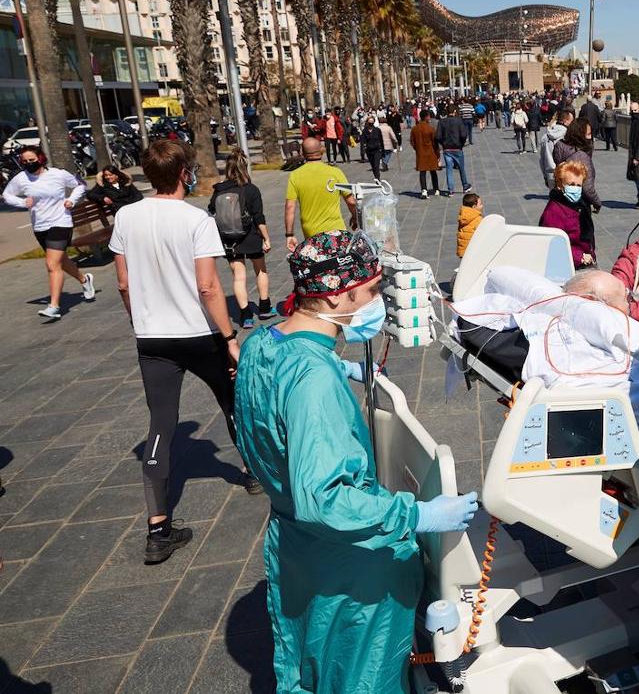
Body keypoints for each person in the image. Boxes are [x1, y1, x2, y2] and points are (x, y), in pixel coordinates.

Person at [233, 230, 479, 693]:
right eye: (369, 292)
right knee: (361, 675)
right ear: (338, 297)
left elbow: (266, 416)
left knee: (314, 661)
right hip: (350, 568)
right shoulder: (313, 382)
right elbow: (326, 501)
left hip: (298, 551)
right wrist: (417, 513)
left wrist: (335, 366)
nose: (374, 304)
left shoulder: (260, 345)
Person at [110, 139, 263, 564]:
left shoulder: (126, 216)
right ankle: (253, 473)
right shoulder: (196, 220)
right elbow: (209, 286)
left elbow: (123, 282)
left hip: (152, 337)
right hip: (198, 333)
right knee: (232, 400)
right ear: (184, 174)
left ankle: (158, 528)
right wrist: (229, 338)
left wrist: (137, 317)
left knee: (160, 424)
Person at [3, 145, 94, 320]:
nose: (29, 164)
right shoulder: (21, 178)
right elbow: (7, 195)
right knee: (61, 261)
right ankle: (85, 280)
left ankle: (54, 306)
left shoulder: (58, 174)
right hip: (40, 226)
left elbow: (80, 185)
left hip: (61, 222)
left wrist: (71, 200)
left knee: (52, 265)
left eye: (32, 160)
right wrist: (22, 203)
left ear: (41, 158)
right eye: (25, 161)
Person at [209, 148, 274, 329]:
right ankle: (264, 306)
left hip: (230, 240)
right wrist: (266, 238)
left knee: (238, 277)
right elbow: (258, 217)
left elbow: (212, 210)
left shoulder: (218, 190)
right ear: (245, 168)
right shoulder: (251, 190)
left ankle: (245, 316)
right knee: (260, 270)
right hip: (251, 236)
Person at [284, 138, 359, 252]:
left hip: (311, 234)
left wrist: (289, 234)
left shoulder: (295, 175)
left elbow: (290, 207)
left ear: (302, 153)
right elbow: (351, 201)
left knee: (319, 266)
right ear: (321, 151)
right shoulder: (335, 172)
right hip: (336, 231)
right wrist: (355, 217)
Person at [539, 160, 595, 268]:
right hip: (568, 266)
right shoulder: (554, 211)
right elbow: (552, 244)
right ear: (560, 185)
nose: (576, 188)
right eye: (571, 184)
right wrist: (580, 257)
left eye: (579, 185)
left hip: (585, 260)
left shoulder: (581, 205)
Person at [552, 117, 601, 213]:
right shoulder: (581, 156)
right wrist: (597, 202)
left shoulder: (560, 145)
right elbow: (588, 188)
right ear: (580, 135)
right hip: (578, 203)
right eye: (588, 134)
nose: (590, 138)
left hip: (561, 197)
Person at [435, 107, 472, 196]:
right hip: (457, 147)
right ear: (455, 112)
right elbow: (463, 134)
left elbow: (438, 136)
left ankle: (450, 190)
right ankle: (465, 185)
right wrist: (461, 144)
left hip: (447, 148)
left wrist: (443, 144)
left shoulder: (442, 122)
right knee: (461, 168)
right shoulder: (459, 121)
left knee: (449, 169)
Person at [410, 109, 440, 200]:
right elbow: (435, 142)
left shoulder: (415, 128)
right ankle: (436, 189)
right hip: (431, 152)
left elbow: (412, 141)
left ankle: (424, 190)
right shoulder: (430, 128)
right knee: (433, 171)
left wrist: (417, 148)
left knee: (422, 172)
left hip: (421, 153)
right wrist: (438, 153)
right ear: (426, 117)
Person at [539, 109, 573, 188]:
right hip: (565, 172)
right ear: (565, 121)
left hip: (550, 173)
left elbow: (542, 159)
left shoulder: (545, 137)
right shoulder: (568, 136)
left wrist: (545, 175)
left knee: (554, 198)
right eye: (571, 121)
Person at [457, 192, 484, 258]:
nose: (482, 205)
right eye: (480, 204)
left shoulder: (463, 216)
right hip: (472, 251)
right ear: (474, 207)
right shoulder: (477, 219)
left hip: (463, 249)